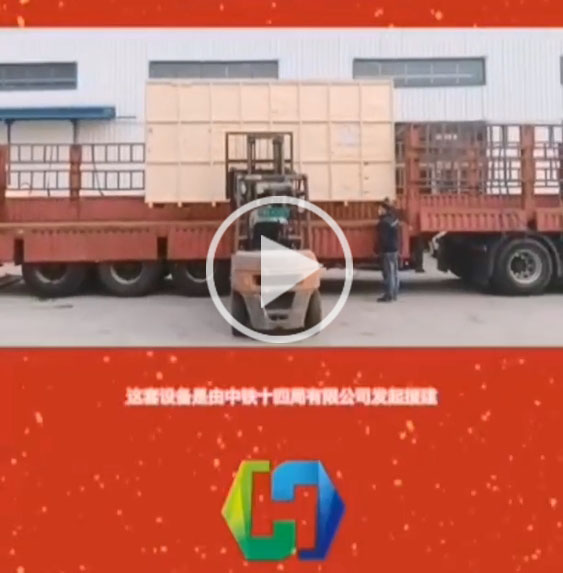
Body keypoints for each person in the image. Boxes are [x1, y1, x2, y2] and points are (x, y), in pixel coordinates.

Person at [376, 199, 400, 302]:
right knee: (394, 273)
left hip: (387, 250)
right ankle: (394, 294)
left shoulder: (383, 223)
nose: (378, 211)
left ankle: (388, 295)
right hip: (394, 248)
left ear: (384, 210)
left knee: (388, 273)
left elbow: (383, 239)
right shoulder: (394, 219)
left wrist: (378, 249)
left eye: (380, 209)